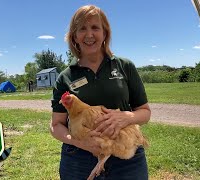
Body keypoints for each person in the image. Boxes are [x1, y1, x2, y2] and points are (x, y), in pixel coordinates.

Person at [50, 4, 151, 180]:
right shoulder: (65, 77)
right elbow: (56, 125)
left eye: (95, 27)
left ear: (105, 33)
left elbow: (145, 112)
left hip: (125, 155)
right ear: (74, 36)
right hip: (79, 158)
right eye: (82, 29)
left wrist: (126, 117)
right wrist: (81, 143)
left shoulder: (124, 66)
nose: (89, 34)